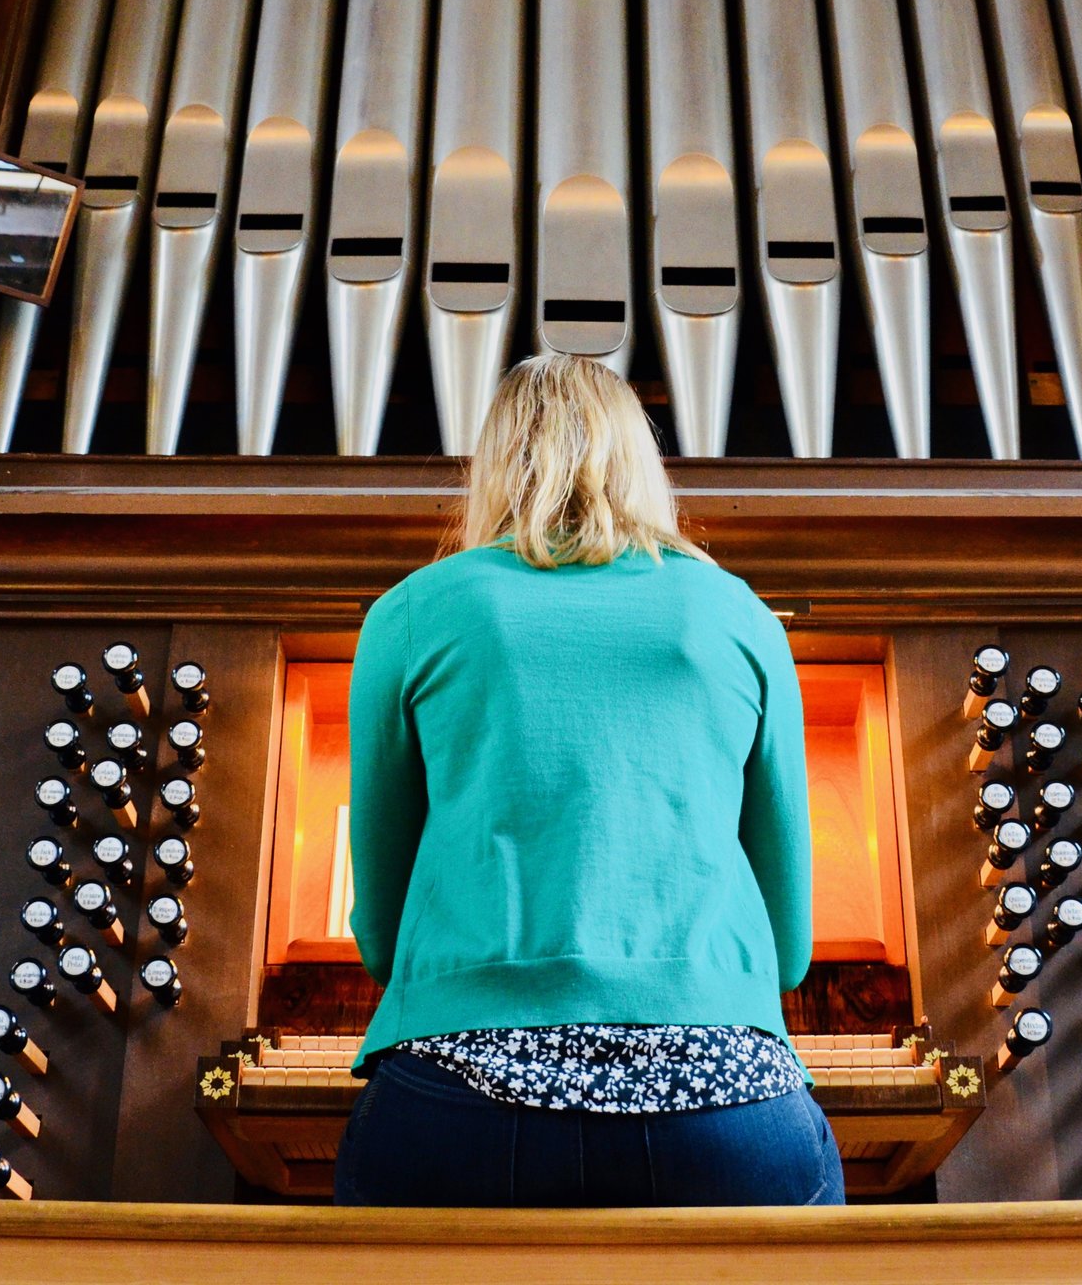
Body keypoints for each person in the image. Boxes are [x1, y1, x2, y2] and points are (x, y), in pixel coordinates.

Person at [333, 353, 840, 1207]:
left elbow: (380, 941)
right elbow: (790, 955)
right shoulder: (737, 613)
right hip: (725, 1109)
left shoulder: (413, 611)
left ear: (490, 466)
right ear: (643, 461)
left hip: (459, 1106)